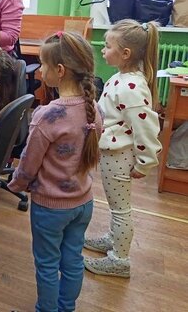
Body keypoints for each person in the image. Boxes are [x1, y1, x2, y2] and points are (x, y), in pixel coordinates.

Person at [7, 31, 102, 312]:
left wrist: (15, 185)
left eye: (43, 65)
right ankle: (66, 307)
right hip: (84, 202)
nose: (40, 71)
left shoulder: (46, 116)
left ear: (59, 71)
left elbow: (28, 164)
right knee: (72, 260)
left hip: (51, 207)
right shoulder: (94, 108)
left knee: (47, 263)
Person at [83, 20, 162, 279]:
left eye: (107, 46)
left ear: (125, 53)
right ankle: (113, 239)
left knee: (120, 209)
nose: (103, 50)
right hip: (111, 154)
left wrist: (145, 163)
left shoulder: (132, 87)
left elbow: (146, 128)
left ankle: (120, 260)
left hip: (119, 156)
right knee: (115, 206)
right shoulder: (120, 78)